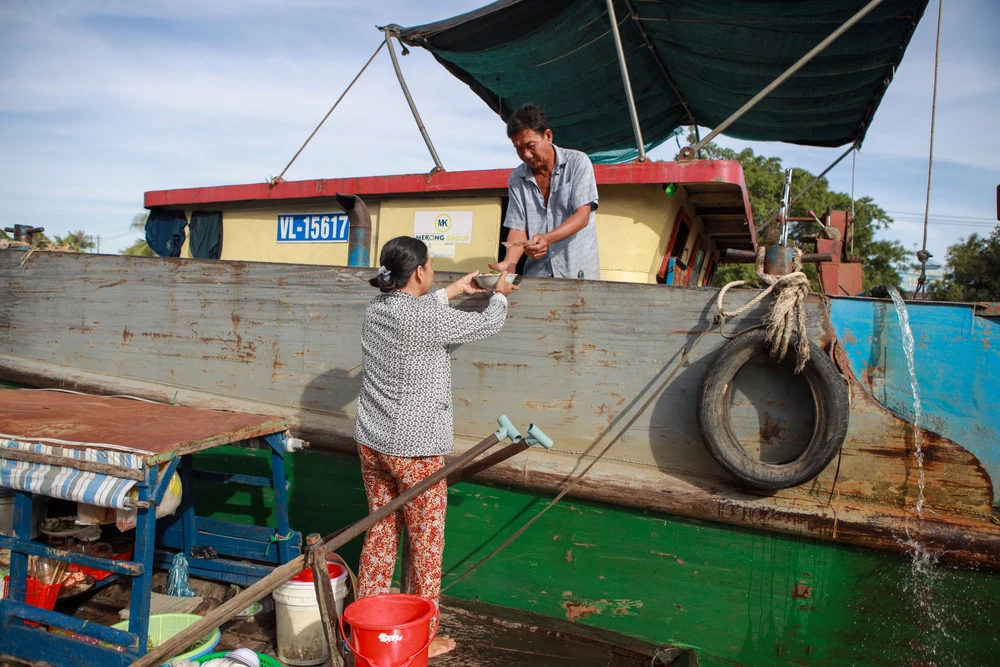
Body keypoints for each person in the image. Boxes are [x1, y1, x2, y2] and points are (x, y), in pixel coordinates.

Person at [354, 236, 517, 658]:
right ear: (421, 272)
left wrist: (457, 289)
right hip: (415, 449)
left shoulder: (377, 309)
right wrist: (499, 294)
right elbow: (487, 325)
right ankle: (421, 640)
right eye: (430, 267)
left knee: (381, 534)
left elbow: (420, 309)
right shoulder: (424, 319)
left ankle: (367, 626)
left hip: (372, 443)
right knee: (426, 545)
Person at [490, 102, 601, 280]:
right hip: (537, 276)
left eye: (531, 146)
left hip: (578, 274)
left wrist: (547, 239)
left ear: (548, 136)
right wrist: (509, 263)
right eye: (518, 148)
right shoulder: (516, 178)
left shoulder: (578, 163)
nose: (525, 154)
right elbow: (518, 227)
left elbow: (582, 217)